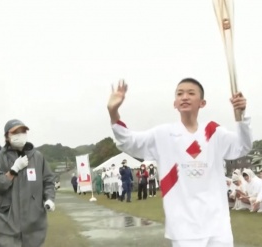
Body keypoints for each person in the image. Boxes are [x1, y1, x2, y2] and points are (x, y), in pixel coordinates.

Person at [108, 78, 252, 247]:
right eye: (180, 94)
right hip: (184, 227)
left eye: (191, 93)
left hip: (217, 224)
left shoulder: (213, 132)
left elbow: (243, 147)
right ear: (175, 103)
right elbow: (128, 142)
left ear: (202, 103)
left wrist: (242, 117)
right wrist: (113, 112)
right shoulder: (163, 134)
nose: (185, 97)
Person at [0, 119, 56, 247]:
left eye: (23, 131)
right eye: (15, 132)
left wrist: (49, 198)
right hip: (6, 225)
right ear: (7, 136)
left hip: (34, 224)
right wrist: (13, 171)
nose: (20, 135)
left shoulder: (38, 157)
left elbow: (48, 181)